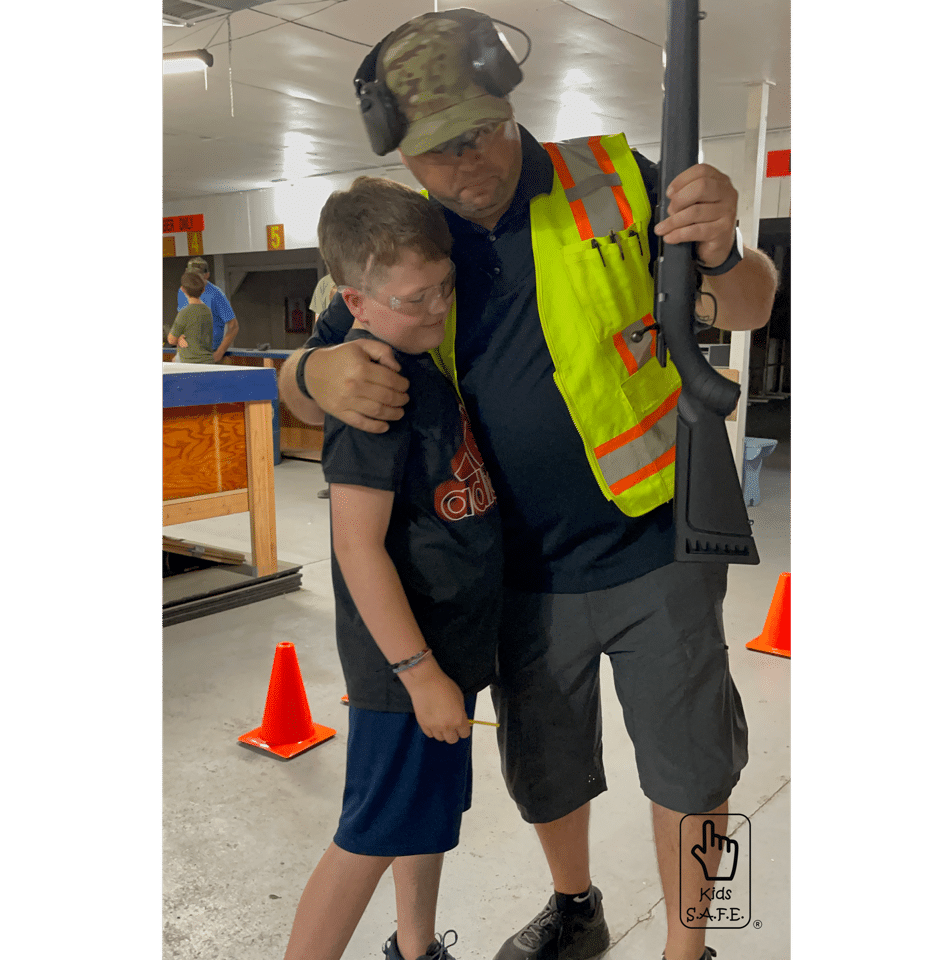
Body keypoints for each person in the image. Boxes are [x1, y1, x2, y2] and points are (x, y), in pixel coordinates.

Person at [278, 11, 779, 960]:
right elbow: (308, 371)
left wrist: (726, 252)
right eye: (436, 154)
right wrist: (313, 378)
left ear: (514, 105)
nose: (465, 167)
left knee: (694, 765)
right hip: (509, 572)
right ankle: (576, 906)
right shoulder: (408, 232)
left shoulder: (618, 179)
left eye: (480, 133)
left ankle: (689, 946)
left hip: (655, 542)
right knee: (546, 771)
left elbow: (748, 302)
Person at [282, 176, 502, 960]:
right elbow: (354, 547)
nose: (438, 309)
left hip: (445, 652)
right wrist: (419, 675)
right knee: (368, 837)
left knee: (423, 820)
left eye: (443, 288)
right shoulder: (371, 390)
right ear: (357, 302)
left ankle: (415, 948)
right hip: (404, 672)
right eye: (416, 299)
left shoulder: (421, 359)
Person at [175, 257, 240, 362]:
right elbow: (180, 323)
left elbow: (234, 326)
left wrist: (219, 352)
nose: (194, 278)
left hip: (207, 352)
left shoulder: (216, 294)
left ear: (206, 275)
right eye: (191, 275)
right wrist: (179, 337)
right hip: (186, 350)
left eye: (197, 275)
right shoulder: (182, 291)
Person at [167, 269, 214, 363]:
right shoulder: (207, 311)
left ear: (183, 289)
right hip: (208, 360)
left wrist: (178, 337)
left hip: (189, 361)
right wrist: (179, 337)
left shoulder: (185, 313)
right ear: (203, 290)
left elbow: (171, 340)